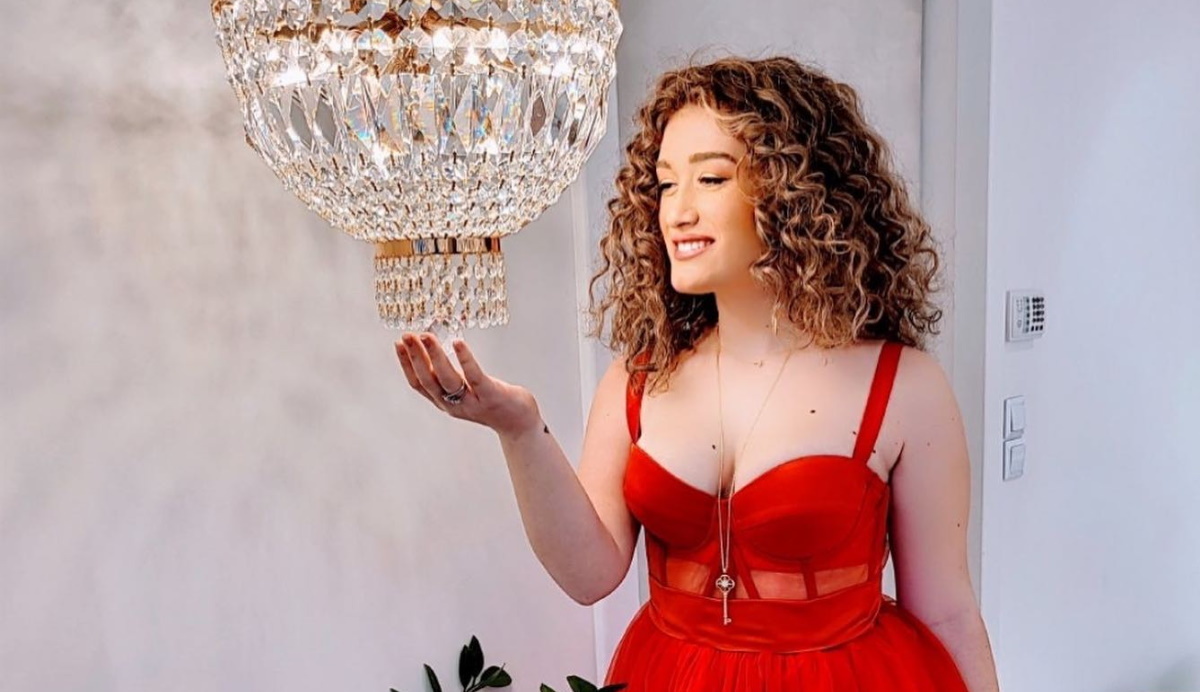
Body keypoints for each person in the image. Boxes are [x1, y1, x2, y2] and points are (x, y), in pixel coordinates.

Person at [394, 56, 1000, 691]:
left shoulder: (904, 387)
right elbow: (588, 576)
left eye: (710, 178)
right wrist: (519, 430)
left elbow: (948, 612)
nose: (677, 212)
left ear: (798, 190)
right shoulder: (638, 379)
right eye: (665, 184)